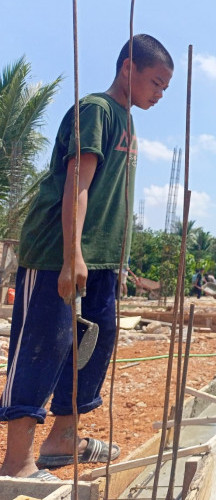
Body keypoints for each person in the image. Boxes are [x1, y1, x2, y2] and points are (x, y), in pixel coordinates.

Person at [0, 34, 173, 479]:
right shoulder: (97, 109)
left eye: (165, 89)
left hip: (99, 260)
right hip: (57, 252)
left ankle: (63, 438)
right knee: (44, 345)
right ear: (128, 68)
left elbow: (111, 199)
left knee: (95, 346)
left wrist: (117, 261)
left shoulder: (128, 123)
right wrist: (72, 254)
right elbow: (78, 182)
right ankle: (17, 462)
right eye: (155, 82)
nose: (159, 95)